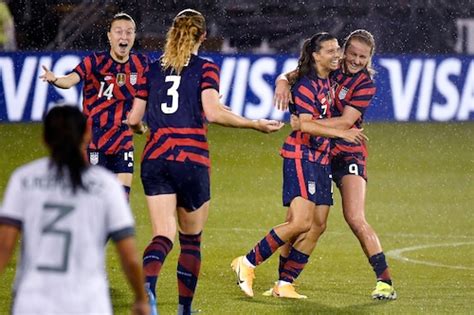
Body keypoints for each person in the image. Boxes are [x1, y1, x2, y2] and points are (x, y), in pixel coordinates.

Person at [125, 8, 284, 315]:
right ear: (203, 36)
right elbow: (213, 112)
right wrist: (253, 124)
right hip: (190, 158)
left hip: (156, 156)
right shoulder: (205, 68)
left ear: (173, 32)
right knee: (191, 240)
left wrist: (142, 129)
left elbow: (133, 118)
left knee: (162, 235)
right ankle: (184, 310)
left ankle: (147, 288)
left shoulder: (151, 69)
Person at [231, 32, 367, 299]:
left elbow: (288, 76)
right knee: (300, 222)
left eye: (337, 49)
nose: (337, 54)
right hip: (302, 155)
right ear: (316, 55)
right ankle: (246, 263)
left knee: (318, 225)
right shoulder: (306, 85)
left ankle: (284, 283)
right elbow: (303, 124)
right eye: (330, 51)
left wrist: (282, 80)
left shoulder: (329, 75)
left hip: (321, 158)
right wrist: (342, 132)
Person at [273, 29, 397, 300]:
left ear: (369, 58)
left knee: (354, 216)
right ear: (343, 51)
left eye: (362, 57)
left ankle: (384, 280)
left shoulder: (365, 85)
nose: (354, 60)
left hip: (349, 152)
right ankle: (283, 281)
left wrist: (304, 124)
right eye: (351, 53)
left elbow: (344, 124)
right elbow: (292, 74)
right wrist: (282, 82)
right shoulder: (332, 65)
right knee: (303, 221)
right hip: (319, 150)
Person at [0, 105, 149, 315]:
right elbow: (129, 256)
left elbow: (4, 248)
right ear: (87, 135)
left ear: (43, 138)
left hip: (33, 302)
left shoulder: (23, 180)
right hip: (87, 303)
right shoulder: (106, 186)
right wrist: (141, 299)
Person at [39, 12, 148, 201]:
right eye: (119, 32)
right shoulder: (94, 62)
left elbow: (161, 86)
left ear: (134, 35)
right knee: (94, 201)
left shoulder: (142, 64)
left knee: (121, 202)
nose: (124, 37)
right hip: (94, 142)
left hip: (123, 142)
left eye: (129, 32)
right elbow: (70, 80)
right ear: (109, 35)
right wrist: (55, 79)